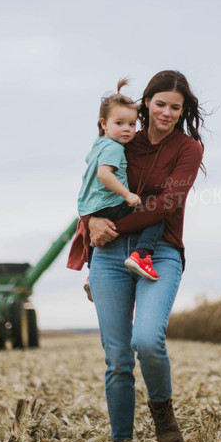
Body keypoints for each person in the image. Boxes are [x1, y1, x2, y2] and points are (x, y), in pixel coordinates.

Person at [67, 70, 205, 442]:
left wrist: (108, 227)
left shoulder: (188, 149)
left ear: (183, 111)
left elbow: (167, 204)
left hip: (159, 250)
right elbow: (94, 183)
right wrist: (89, 220)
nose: (165, 112)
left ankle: (162, 409)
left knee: (146, 338)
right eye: (159, 103)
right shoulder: (124, 136)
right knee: (117, 359)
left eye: (175, 107)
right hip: (109, 255)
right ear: (146, 103)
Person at [77, 79, 166, 301]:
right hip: (110, 205)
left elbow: (90, 165)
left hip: (90, 207)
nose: (127, 129)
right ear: (104, 123)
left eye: (132, 124)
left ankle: (91, 274)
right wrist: (127, 194)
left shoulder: (98, 144)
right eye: (120, 123)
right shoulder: (115, 148)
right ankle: (142, 255)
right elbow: (104, 174)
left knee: (95, 238)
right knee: (157, 211)